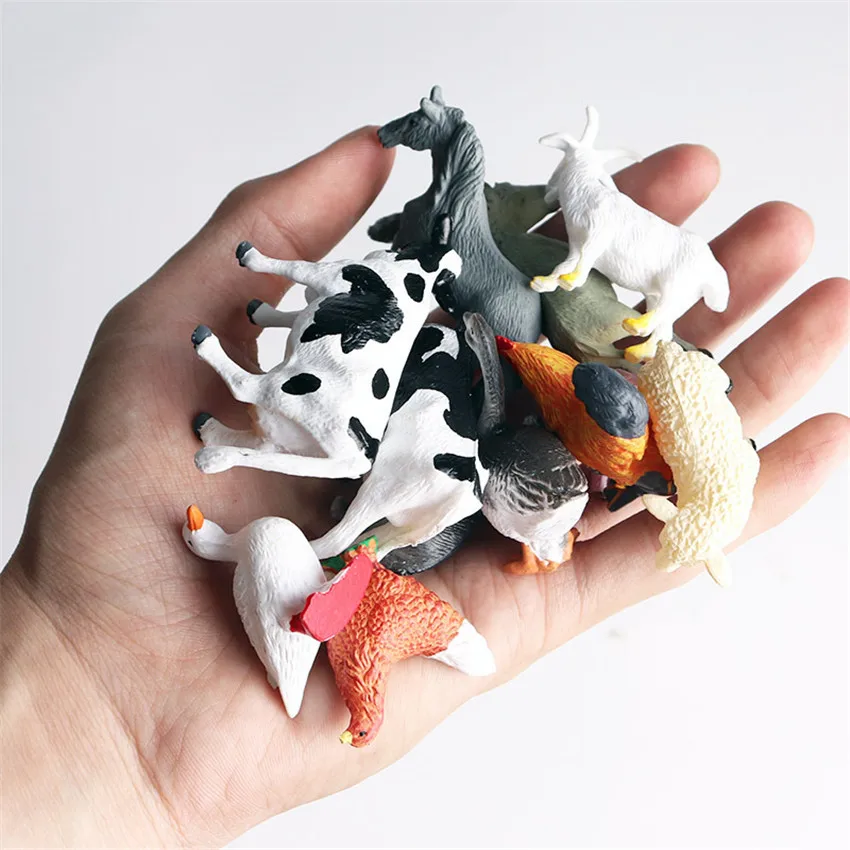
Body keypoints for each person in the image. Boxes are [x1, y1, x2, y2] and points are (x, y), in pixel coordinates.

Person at [1, 126, 847, 847]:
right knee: (345, 498)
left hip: (456, 444)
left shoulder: (531, 439)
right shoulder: (471, 396)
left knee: (359, 510)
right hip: (433, 430)